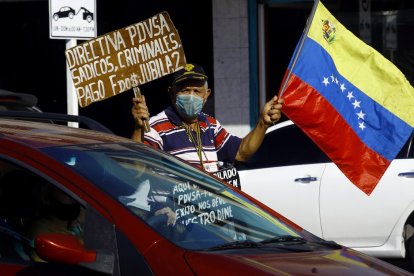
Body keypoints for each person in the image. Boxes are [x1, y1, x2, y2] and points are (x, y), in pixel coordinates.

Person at [131, 63, 283, 172]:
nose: (191, 96)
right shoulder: (155, 126)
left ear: (206, 95)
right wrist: (139, 128)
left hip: (208, 212)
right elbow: (138, 169)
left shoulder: (209, 124)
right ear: (171, 93)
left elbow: (241, 153)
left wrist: (263, 123)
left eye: (197, 91)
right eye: (184, 90)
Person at [26, 187, 84, 262]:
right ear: (48, 197)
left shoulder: (71, 224)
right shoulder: (41, 231)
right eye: (64, 192)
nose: (72, 197)